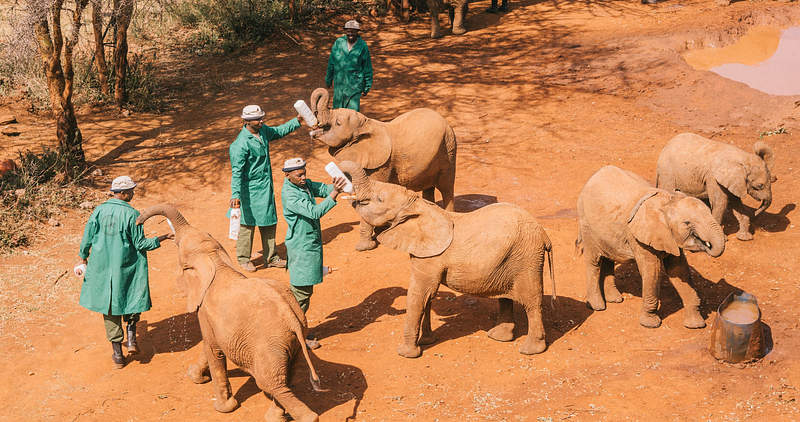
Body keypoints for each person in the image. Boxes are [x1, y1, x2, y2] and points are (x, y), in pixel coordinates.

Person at [76, 176, 173, 369]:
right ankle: (131, 338)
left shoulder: (99, 210)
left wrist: (82, 256)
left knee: (109, 307)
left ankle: (118, 355)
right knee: (132, 296)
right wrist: (163, 237)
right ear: (126, 193)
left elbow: (87, 236)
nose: (134, 194)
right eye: (132, 191)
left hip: (102, 267)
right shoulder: (133, 215)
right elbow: (140, 244)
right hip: (127, 267)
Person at [280, 158, 347, 349]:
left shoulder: (303, 184)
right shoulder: (290, 195)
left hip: (309, 244)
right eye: (299, 175)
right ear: (288, 175)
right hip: (302, 248)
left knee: (303, 292)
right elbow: (314, 212)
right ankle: (295, 336)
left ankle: (296, 331)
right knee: (301, 294)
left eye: (304, 173)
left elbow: (322, 189)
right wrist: (334, 194)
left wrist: (336, 186)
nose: (304, 177)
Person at [229, 104, 304, 272]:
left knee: (269, 221)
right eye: (258, 119)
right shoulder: (240, 145)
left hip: (265, 188)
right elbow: (236, 173)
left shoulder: (262, 131)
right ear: (247, 121)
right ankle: (244, 259)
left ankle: (271, 257)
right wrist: (235, 195)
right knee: (247, 224)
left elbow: (278, 132)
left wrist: (297, 121)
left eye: (262, 117)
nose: (262, 120)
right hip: (249, 191)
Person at [325, 20, 373, 112]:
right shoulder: (339, 43)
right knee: (337, 113)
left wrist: (366, 86)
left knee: (352, 115)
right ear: (345, 31)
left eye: (353, 31)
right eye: (348, 31)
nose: (350, 34)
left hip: (354, 86)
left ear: (357, 32)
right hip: (339, 85)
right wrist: (328, 79)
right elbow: (331, 62)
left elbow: (367, 67)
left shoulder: (362, 46)